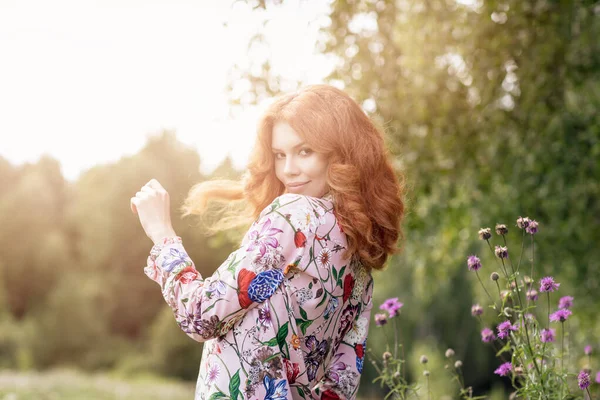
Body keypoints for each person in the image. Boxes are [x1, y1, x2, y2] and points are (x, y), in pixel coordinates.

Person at [130, 84, 405, 400]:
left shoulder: (292, 213)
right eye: (279, 155)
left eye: (305, 151)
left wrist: (162, 235)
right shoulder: (360, 253)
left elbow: (201, 316)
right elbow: (340, 387)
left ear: (341, 153)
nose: (289, 170)